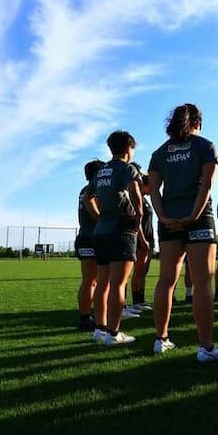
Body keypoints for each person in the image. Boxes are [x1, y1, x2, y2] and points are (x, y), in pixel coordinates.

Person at [149, 103, 218, 361]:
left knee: (166, 281)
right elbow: (206, 186)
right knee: (203, 283)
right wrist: (191, 217)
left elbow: (153, 191)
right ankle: (206, 348)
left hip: (169, 221)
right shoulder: (206, 146)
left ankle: (161, 340)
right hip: (198, 220)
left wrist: (163, 218)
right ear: (198, 122)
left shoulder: (160, 152)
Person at [87, 131, 147, 346]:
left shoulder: (101, 170)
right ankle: (113, 333)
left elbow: (87, 197)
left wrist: (99, 217)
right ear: (128, 148)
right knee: (119, 284)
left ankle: (100, 329)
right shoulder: (127, 168)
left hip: (101, 231)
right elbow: (135, 193)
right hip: (121, 230)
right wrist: (138, 218)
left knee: (102, 283)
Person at [75, 159, 104, 331]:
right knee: (99, 281)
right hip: (96, 236)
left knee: (88, 281)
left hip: (84, 236)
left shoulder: (83, 190)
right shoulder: (96, 189)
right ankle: (100, 317)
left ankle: (85, 317)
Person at [128, 163, 155, 313]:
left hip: (149, 239)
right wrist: (143, 240)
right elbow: (136, 220)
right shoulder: (134, 197)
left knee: (143, 271)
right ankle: (135, 302)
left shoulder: (144, 199)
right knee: (138, 272)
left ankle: (141, 300)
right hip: (140, 240)